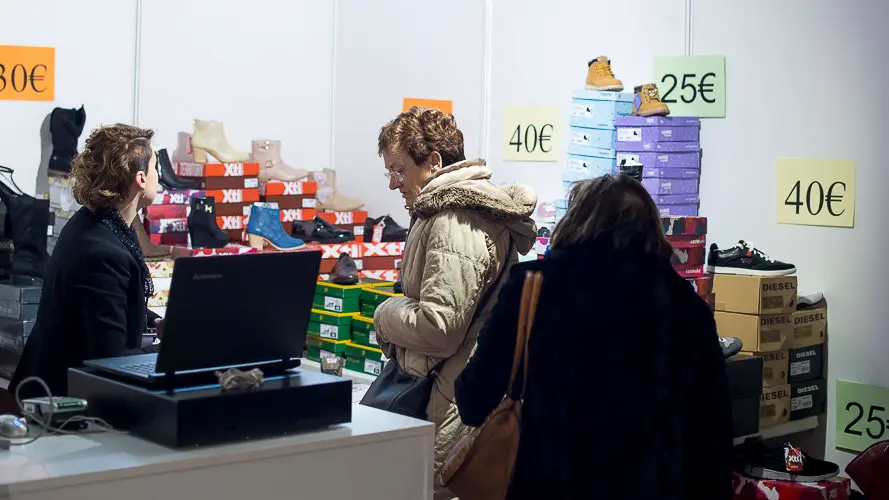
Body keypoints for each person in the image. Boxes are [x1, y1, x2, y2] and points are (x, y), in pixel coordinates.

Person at [454, 174, 733, 500]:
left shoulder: (534, 288)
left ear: (575, 221)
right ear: (651, 228)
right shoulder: (686, 307)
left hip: (549, 484)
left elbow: (473, 400)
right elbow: (712, 433)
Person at [374, 106, 537, 498]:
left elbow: (439, 328)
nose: (393, 184)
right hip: (445, 390)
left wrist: (385, 313)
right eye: (389, 172)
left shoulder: (455, 221)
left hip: (445, 402)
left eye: (399, 170)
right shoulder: (445, 213)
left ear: (433, 162)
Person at [10, 124, 162, 399]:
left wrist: (156, 320)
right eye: (155, 167)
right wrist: (172, 348)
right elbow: (110, 359)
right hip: (64, 402)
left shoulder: (95, 223)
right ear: (140, 178)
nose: (158, 175)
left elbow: (111, 302)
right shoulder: (104, 253)